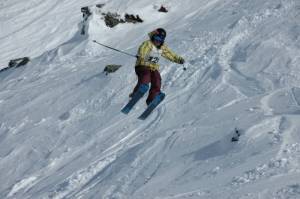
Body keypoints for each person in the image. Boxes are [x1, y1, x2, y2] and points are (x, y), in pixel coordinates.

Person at [130, 28, 185, 105]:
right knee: (146, 75)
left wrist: (178, 59)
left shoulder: (162, 48)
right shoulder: (148, 43)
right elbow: (142, 50)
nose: (158, 41)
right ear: (153, 37)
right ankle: (138, 91)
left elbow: (170, 54)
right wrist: (141, 55)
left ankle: (152, 98)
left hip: (153, 68)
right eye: (157, 38)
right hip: (142, 66)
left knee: (157, 79)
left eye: (160, 39)